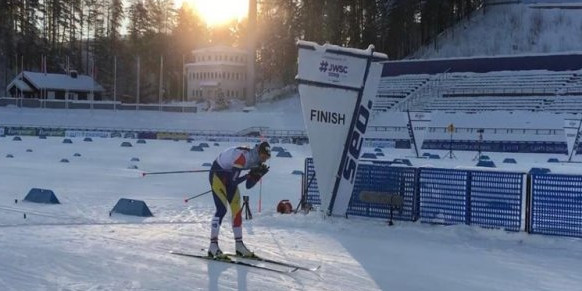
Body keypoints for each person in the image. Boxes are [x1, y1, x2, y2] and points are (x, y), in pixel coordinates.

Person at [208, 141, 271, 258]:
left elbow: (248, 185)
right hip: (217, 175)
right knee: (222, 210)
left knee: (237, 211)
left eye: (266, 159)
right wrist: (248, 175)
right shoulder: (243, 157)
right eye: (263, 157)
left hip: (229, 177)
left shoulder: (256, 161)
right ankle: (213, 246)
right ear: (258, 152)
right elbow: (234, 181)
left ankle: (239, 246)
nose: (264, 161)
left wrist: (257, 176)